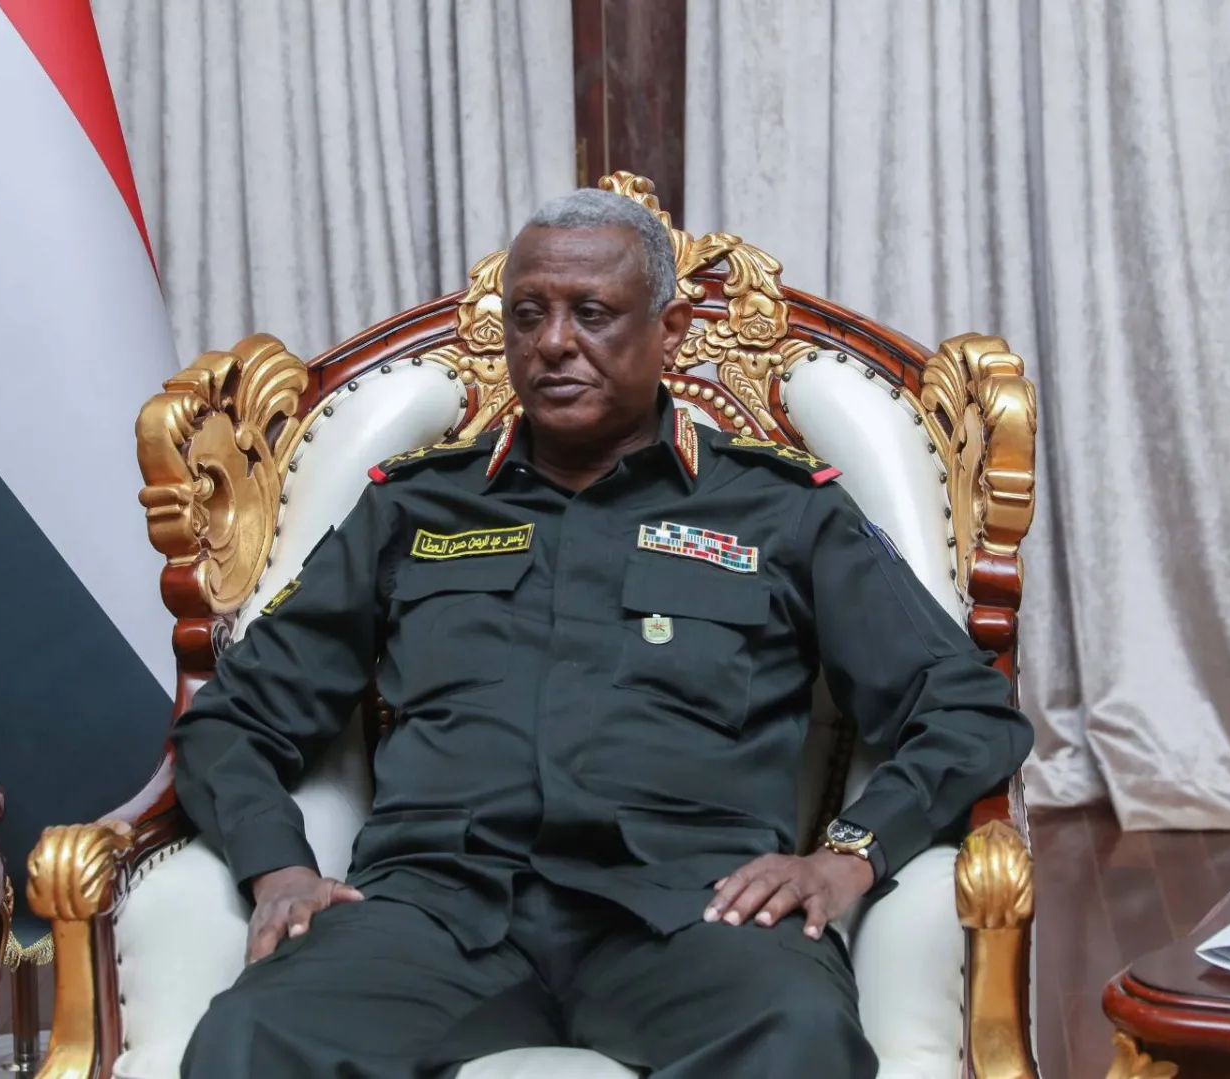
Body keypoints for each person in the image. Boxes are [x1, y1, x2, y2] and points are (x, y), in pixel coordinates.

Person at [170, 189, 1034, 1078]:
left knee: (798, 1036)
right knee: (248, 1037)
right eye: (528, 314)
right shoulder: (413, 506)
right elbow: (231, 719)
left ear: (670, 330)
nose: (552, 342)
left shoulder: (781, 510)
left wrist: (850, 854)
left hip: (692, 914)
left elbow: (967, 709)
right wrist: (278, 869)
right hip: (434, 912)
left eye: (591, 314)